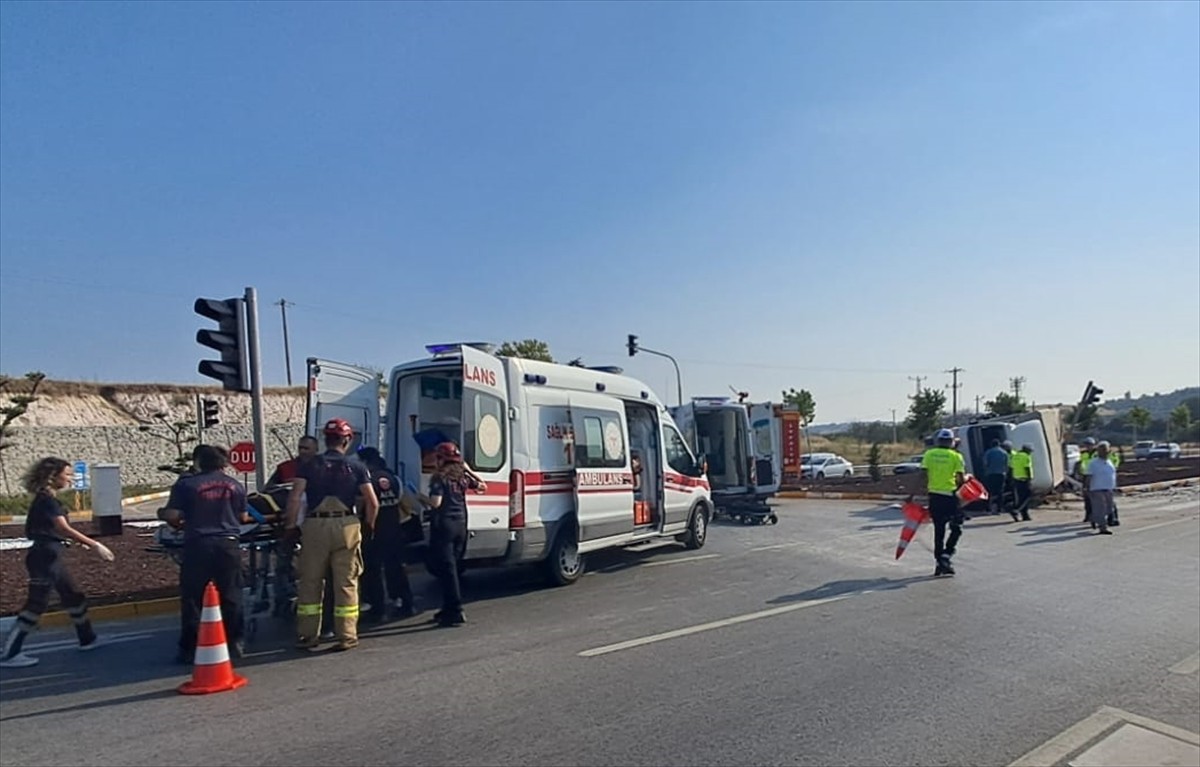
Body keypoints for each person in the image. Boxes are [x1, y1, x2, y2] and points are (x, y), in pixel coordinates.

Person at [1, 457, 114, 668]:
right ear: (53, 476)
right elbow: (63, 527)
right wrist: (94, 545)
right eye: (67, 474)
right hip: (45, 556)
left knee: (73, 595)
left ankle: (87, 638)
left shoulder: (47, 499)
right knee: (36, 604)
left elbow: (58, 531)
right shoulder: (47, 501)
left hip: (51, 553)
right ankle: (9, 653)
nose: (70, 479)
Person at [285, 418, 378, 651]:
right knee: (346, 582)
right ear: (347, 440)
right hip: (346, 525)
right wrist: (369, 525)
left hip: (315, 526)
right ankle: (347, 636)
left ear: (326, 439)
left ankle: (308, 635)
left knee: (310, 581)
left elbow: (295, 497)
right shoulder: (357, 467)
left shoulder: (308, 465)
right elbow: (372, 502)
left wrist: (290, 527)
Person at [160, 445, 247, 665]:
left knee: (193, 598)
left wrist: (171, 518)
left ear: (199, 462)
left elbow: (172, 514)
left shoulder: (186, 485)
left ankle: (189, 648)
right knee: (232, 594)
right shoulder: (235, 486)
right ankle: (234, 642)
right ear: (222, 464)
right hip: (228, 545)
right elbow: (243, 517)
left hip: (198, 544)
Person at [356, 447, 422, 623]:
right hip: (393, 529)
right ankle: (405, 602)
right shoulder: (393, 478)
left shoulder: (367, 479)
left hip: (373, 530)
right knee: (396, 567)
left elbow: (363, 504)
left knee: (372, 570)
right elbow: (404, 502)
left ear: (365, 462)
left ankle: (377, 608)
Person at [426, 442, 486, 627]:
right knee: (451, 569)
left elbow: (435, 503)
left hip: (444, 527)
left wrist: (418, 499)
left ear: (441, 459)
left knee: (447, 571)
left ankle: (455, 610)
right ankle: (448, 608)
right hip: (461, 525)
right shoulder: (462, 478)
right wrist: (468, 470)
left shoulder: (439, 478)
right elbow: (482, 486)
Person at [920, 429, 966, 577]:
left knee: (939, 532)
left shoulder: (929, 454)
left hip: (935, 497)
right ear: (951, 442)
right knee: (957, 528)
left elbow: (922, 476)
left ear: (938, 441)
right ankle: (946, 556)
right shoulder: (956, 456)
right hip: (950, 498)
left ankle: (940, 563)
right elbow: (960, 479)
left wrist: (913, 495)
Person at [1086, 441, 1117, 536]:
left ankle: (1093, 517)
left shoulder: (1109, 462)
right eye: (1102, 450)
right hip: (1097, 488)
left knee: (1109, 509)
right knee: (1101, 508)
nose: (1104, 452)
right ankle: (1103, 527)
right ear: (1098, 451)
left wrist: (1115, 486)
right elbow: (1088, 476)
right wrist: (1087, 488)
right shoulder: (1093, 463)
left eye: (1106, 450)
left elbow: (1112, 475)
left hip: (1108, 488)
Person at [982, 439, 1009, 516]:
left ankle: (988, 509)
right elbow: (1007, 464)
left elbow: (985, 463)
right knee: (1000, 492)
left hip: (991, 474)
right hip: (1001, 474)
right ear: (999, 444)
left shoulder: (988, 452)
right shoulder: (1004, 453)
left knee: (989, 491)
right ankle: (999, 508)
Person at [1009, 445, 1034, 522]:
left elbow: (1011, 468)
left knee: (1021, 497)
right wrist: (1029, 478)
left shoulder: (1015, 456)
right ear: (1027, 450)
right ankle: (1015, 510)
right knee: (1028, 496)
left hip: (1016, 479)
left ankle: (1025, 515)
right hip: (1024, 479)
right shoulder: (1026, 456)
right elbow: (1027, 468)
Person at [1077, 437, 1097, 526]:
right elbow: (1081, 464)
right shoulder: (1083, 454)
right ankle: (1088, 515)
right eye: (1086, 445)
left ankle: (1096, 514)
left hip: (1096, 476)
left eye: (1089, 445)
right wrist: (1080, 473)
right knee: (1086, 497)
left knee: (1096, 496)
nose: (1088, 446)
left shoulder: (1097, 454)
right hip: (1086, 476)